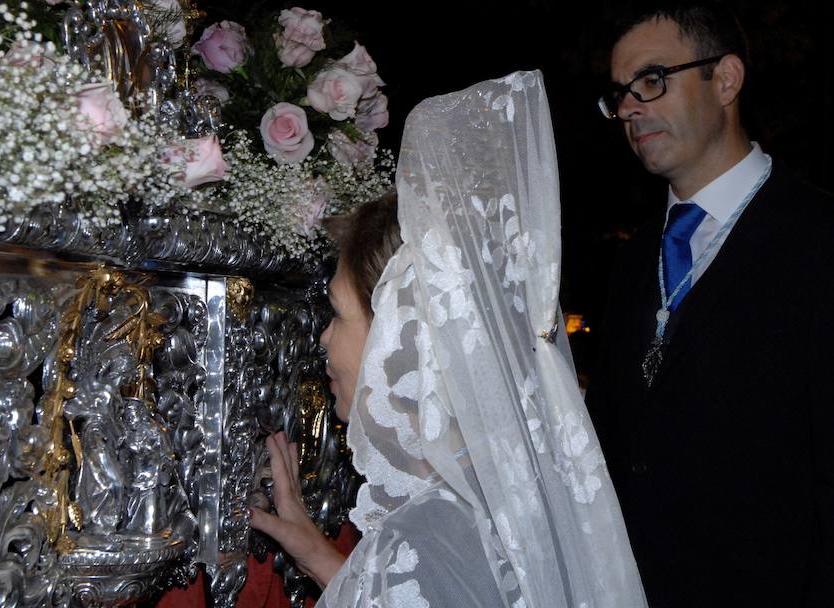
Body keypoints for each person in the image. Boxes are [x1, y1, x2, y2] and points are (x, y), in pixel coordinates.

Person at [251, 71, 646, 606]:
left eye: (339, 314)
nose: (322, 338)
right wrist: (317, 554)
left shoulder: (414, 541)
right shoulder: (507, 508)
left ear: (403, 335)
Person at [587, 3, 834, 606]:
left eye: (651, 81)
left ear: (725, 80)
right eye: (619, 94)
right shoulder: (631, 258)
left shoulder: (820, 239)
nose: (629, 109)